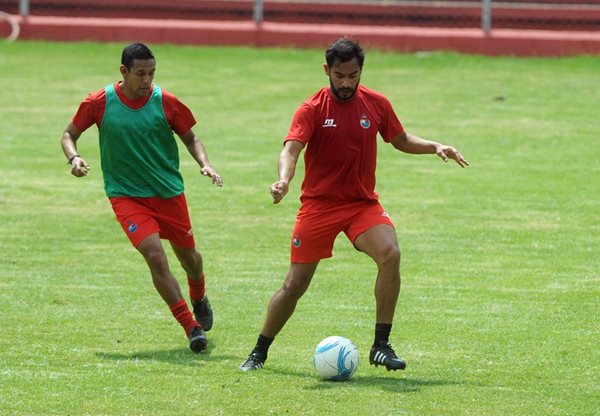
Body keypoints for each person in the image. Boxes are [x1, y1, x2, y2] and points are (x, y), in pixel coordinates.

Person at [239, 37, 469, 372]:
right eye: (339, 75)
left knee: (390, 253)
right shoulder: (312, 109)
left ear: (361, 71)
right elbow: (291, 149)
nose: (346, 83)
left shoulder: (375, 104)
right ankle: (259, 351)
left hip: (361, 204)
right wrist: (284, 181)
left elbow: (400, 139)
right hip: (319, 206)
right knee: (295, 284)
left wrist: (435, 146)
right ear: (326, 71)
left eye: (353, 75)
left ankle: (381, 344)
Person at [61, 43, 222, 353]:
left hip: (168, 193)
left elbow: (191, 136)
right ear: (123, 71)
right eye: (140, 74)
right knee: (155, 256)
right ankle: (191, 327)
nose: (147, 80)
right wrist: (74, 158)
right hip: (126, 197)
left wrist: (205, 164)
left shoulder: (166, 102)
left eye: (151, 73)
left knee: (189, 259)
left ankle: (199, 294)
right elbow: (69, 134)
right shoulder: (99, 102)